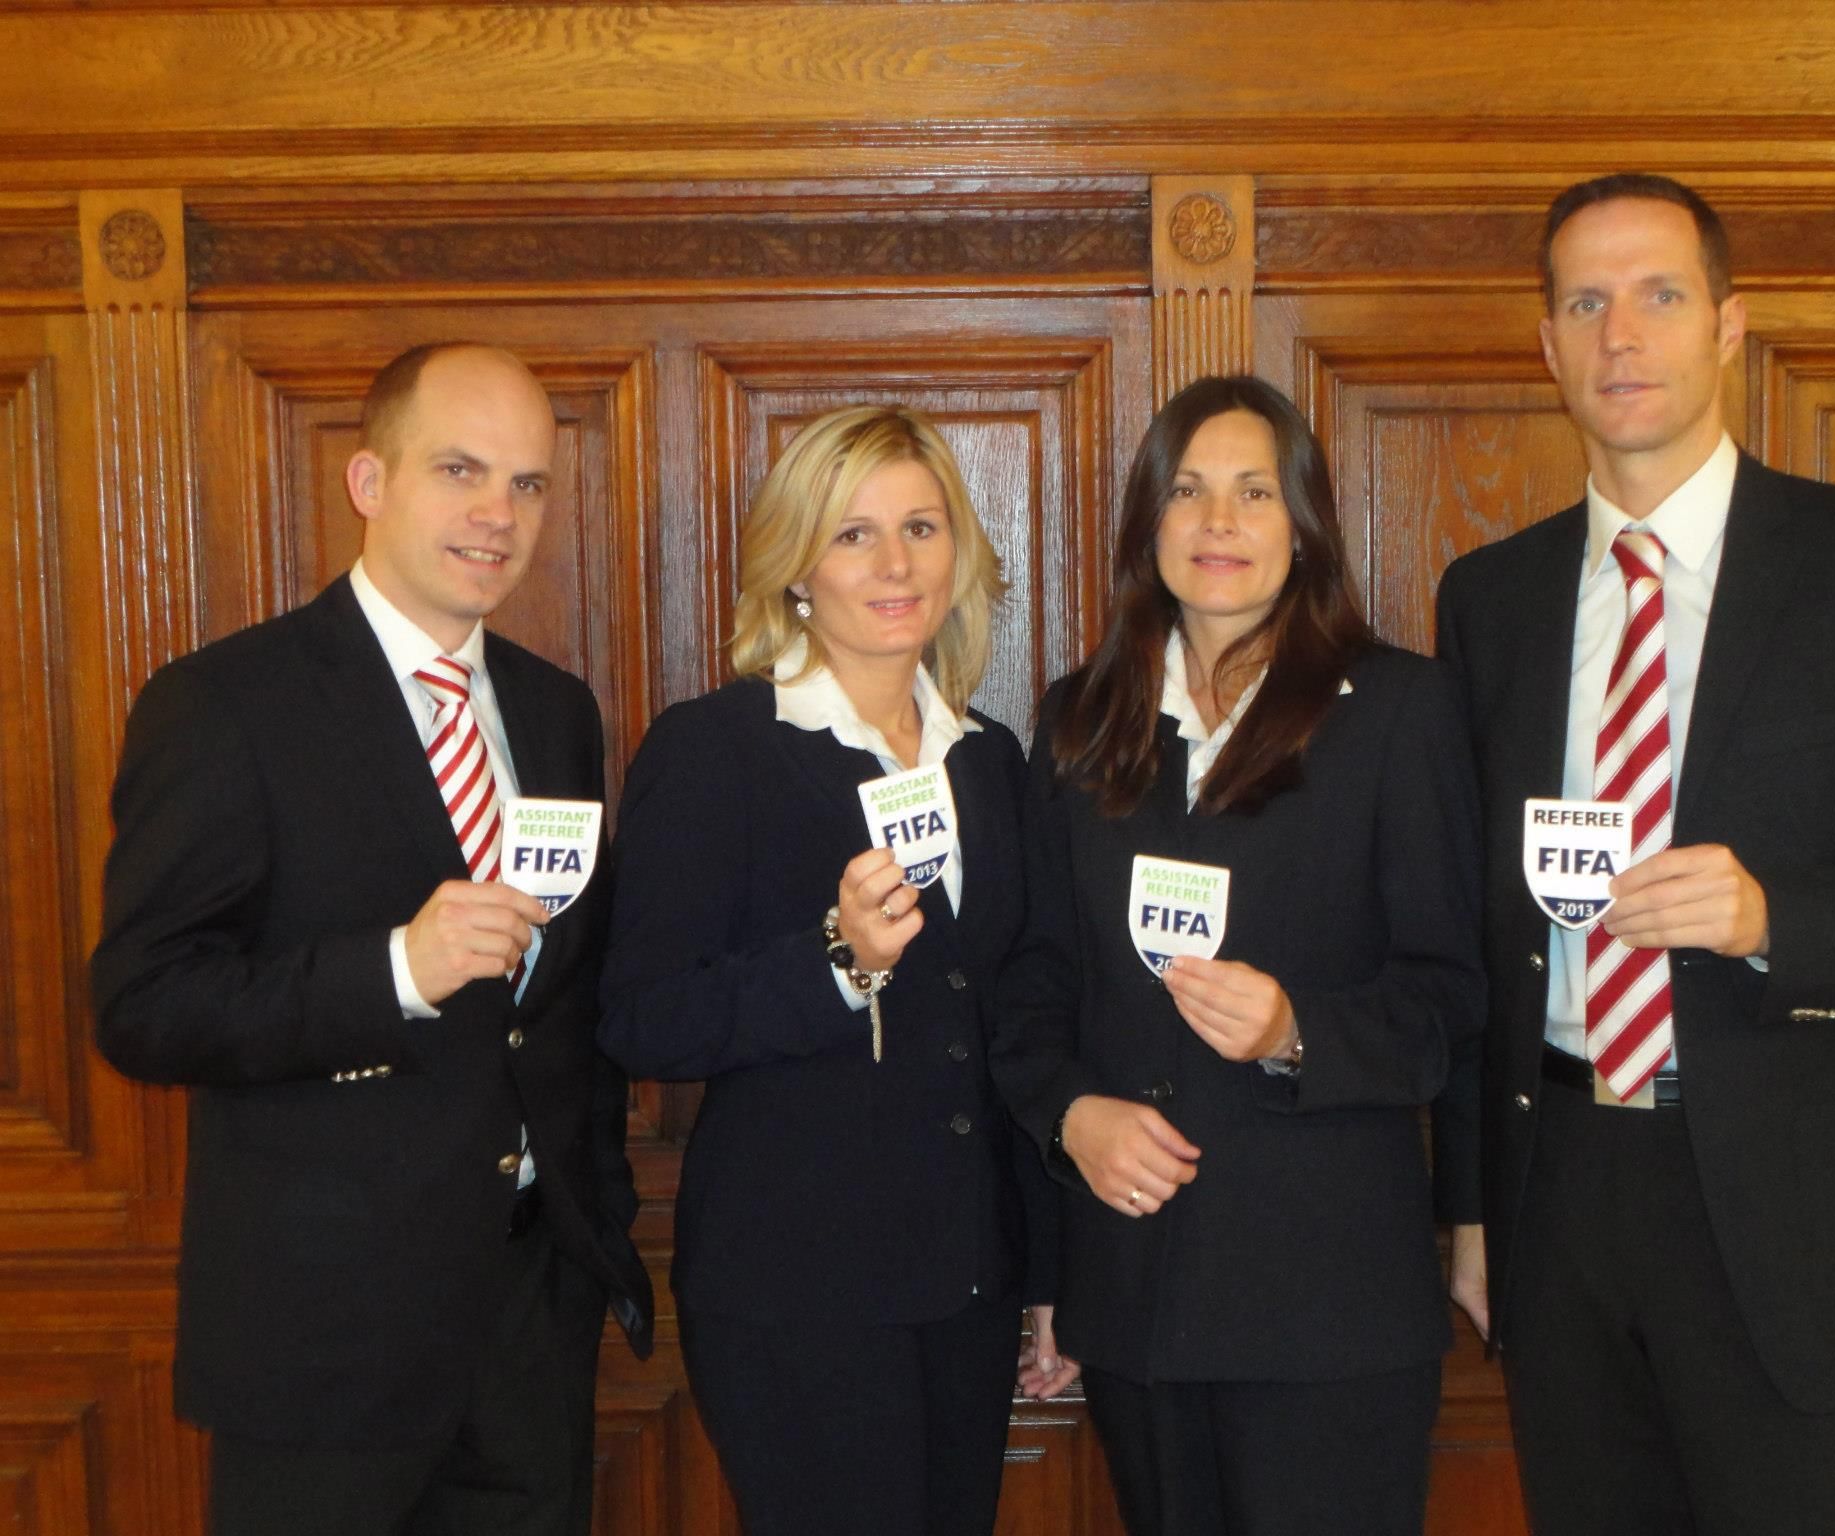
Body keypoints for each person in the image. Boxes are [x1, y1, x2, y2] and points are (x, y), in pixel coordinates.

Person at [1434, 173, 1835, 1536]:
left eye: (1658, 295)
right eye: (1584, 304)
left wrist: (1776, 918)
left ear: (1726, 324)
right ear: (1546, 347)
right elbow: (1475, 934)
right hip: (1561, 1192)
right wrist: (1471, 1207)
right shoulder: (1492, 601)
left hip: (1794, 1203)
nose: (1620, 335)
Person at [92, 342, 655, 1536]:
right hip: (325, 1336)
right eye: (459, 470)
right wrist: (396, 969)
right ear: (368, 483)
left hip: (528, 1319)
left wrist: (590, 1227)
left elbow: (566, 1004)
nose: (498, 514)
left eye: (527, 483)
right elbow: (144, 1005)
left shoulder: (556, 712)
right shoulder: (225, 704)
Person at [992, 375, 1487, 1536]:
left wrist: (1295, 1032)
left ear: (1303, 524)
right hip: (1138, 1291)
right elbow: (1032, 979)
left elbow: (1448, 997)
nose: (1218, 522)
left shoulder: (1397, 711)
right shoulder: (1079, 719)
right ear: (1148, 523)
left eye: (1253, 492)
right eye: (1187, 491)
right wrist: (1069, 1115)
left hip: (1327, 1300)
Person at [598, 404, 1062, 1536]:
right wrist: (836, 963)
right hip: (795, 1289)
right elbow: (642, 1018)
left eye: (921, 527)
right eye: (854, 534)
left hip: (966, 1284)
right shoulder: (717, 749)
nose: (895, 564)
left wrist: (1051, 1274)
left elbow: (1017, 1029)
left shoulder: (989, 758)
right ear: (795, 567)